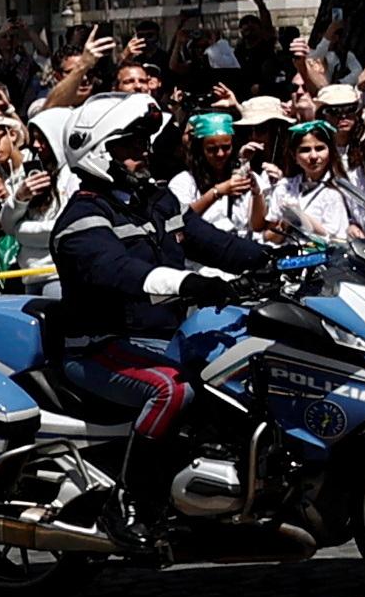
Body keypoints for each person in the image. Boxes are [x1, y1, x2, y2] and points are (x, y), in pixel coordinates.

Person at [43, 112, 284, 533]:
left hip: (164, 338)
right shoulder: (83, 218)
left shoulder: (155, 200)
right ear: (98, 152)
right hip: (100, 345)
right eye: (129, 145)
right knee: (173, 390)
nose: (143, 151)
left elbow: (213, 243)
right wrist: (192, 283)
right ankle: (130, 501)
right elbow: (119, 271)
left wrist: (276, 258)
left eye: (143, 142)